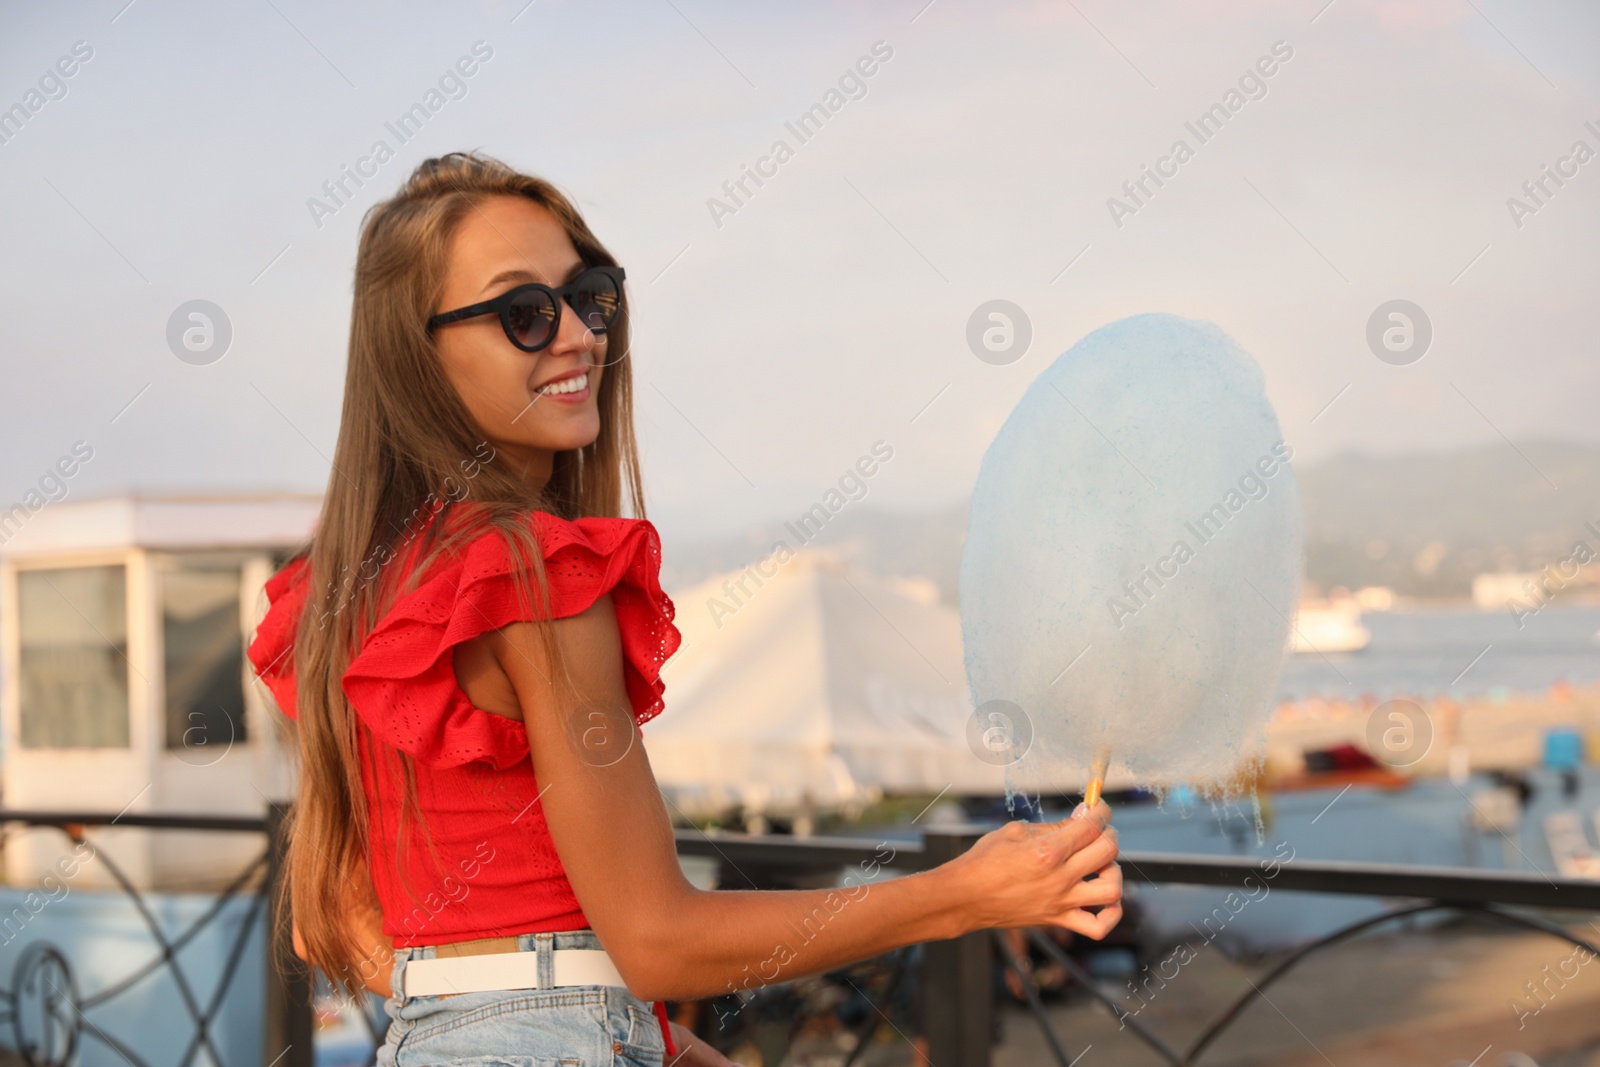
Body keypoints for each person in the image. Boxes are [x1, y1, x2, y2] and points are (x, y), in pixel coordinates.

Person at [247, 151, 1123, 1066]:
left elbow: (336, 928)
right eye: (523, 314)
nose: (579, 336)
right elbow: (658, 937)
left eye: (589, 296)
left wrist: (598, 1025)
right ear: (416, 353)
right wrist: (963, 892)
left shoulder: (346, 591)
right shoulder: (531, 576)